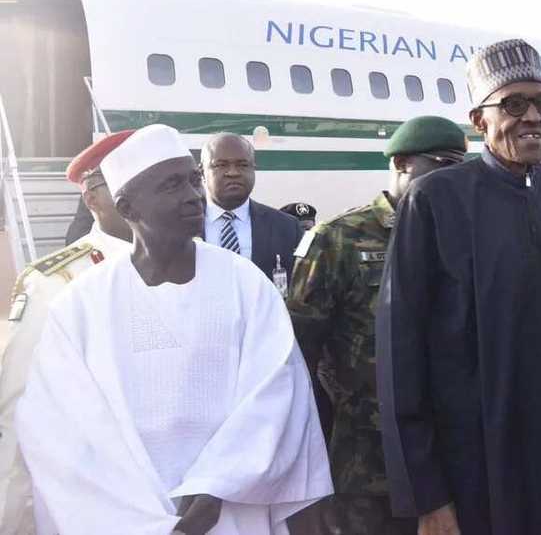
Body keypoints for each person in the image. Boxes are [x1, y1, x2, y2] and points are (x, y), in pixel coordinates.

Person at [16, 124, 331, 534]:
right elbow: (60, 431)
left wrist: (216, 486)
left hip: (233, 511)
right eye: (170, 185)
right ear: (127, 207)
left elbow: (275, 395)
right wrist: (149, 520)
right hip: (121, 516)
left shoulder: (245, 285)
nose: (193, 195)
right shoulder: (81, 305)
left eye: (193, 179)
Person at [377, 39, 541, 535]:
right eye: (514, 104)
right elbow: (400, 351)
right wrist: (428, 496)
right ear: (479, 120)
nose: (533, 116)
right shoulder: (435, 199)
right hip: (481, 463)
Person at [287, 115, 467, 535]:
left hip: (453, 456)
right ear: (403, 163)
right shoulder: (338, 239)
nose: (456, 181)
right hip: (368, 464)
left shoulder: (462, 238)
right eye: (444, 165)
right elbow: (297, 359)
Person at [0, 130, 135, 535]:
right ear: (92, 198)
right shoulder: (58, 281)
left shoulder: (206, 267)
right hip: (94, 499)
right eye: (132, 184)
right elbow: (16, 412)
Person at [201, 132, 303, 278]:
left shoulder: (287, 227)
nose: (233, 172)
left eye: (242, 165)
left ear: (253, 168)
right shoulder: (179, 226)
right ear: (202, 172)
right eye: (221, 165)